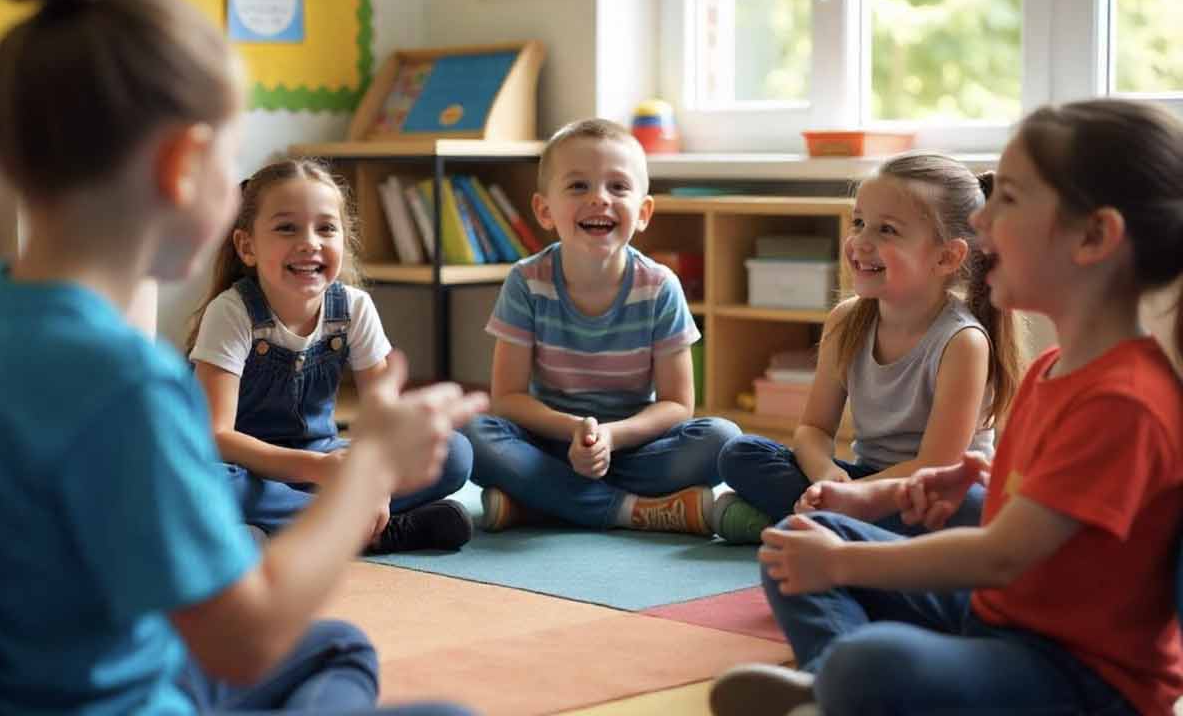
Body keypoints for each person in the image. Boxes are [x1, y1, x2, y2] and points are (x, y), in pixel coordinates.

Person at [0, 0, 486, 715]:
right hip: (128, 697)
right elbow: (246, 640)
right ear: (181, 166)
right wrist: (368, 473)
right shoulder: (125, 386)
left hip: (59, 669)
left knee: (338, 646)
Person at [711, 99, 1183, 716]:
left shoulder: (1125, 399)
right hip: (1003, 618)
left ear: (1093, 237)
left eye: (1009, 199)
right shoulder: (1053, 369)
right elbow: (1061, 514)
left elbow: (1001, 553)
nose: (981, 221)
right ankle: (837, 688)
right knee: (799, 541)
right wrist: (977, 477)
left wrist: (846, 561)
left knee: (872, 657)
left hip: (1080, 675)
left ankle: (842, 686)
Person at [714, 153, 1022, 544]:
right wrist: (827, 475)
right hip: (865, 479)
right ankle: (834, 528)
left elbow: (938, 464)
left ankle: (807, 526)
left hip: (931, 494)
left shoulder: (962, 342)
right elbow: (812, 429)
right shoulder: (846, 322)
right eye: (859, 223)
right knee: (739, 453)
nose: (860, 242)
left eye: (887, 230)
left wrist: (854, 497)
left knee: (972, 509)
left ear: (947, 256)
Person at [466, 118, 741, 534]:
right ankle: (629, 510)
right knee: (473, 434)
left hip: (632, 447)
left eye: (618, 187)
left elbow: (677, 405)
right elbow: (508, 399)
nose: (599, 199)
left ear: (643, 211)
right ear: (544, 209)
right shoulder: (526, 282)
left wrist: (609, 438)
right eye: (579, 186)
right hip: (549, 444)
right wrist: (577, 431)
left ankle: (541, 503)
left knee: (722, 438)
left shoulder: (660, 287)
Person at [186, 159, 475, 553]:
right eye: (287, 228)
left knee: (455, 452)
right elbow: (216, 437)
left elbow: (382, 422)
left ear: (344, 238)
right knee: (202, 482)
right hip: (250, 466)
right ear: (246, 246)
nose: (310, 242)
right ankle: (364, 531)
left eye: (325, 228)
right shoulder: (232, 312)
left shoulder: (354, 308)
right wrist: (319, 470)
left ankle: (291, 529)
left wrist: (371, 479)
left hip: (325, 460)